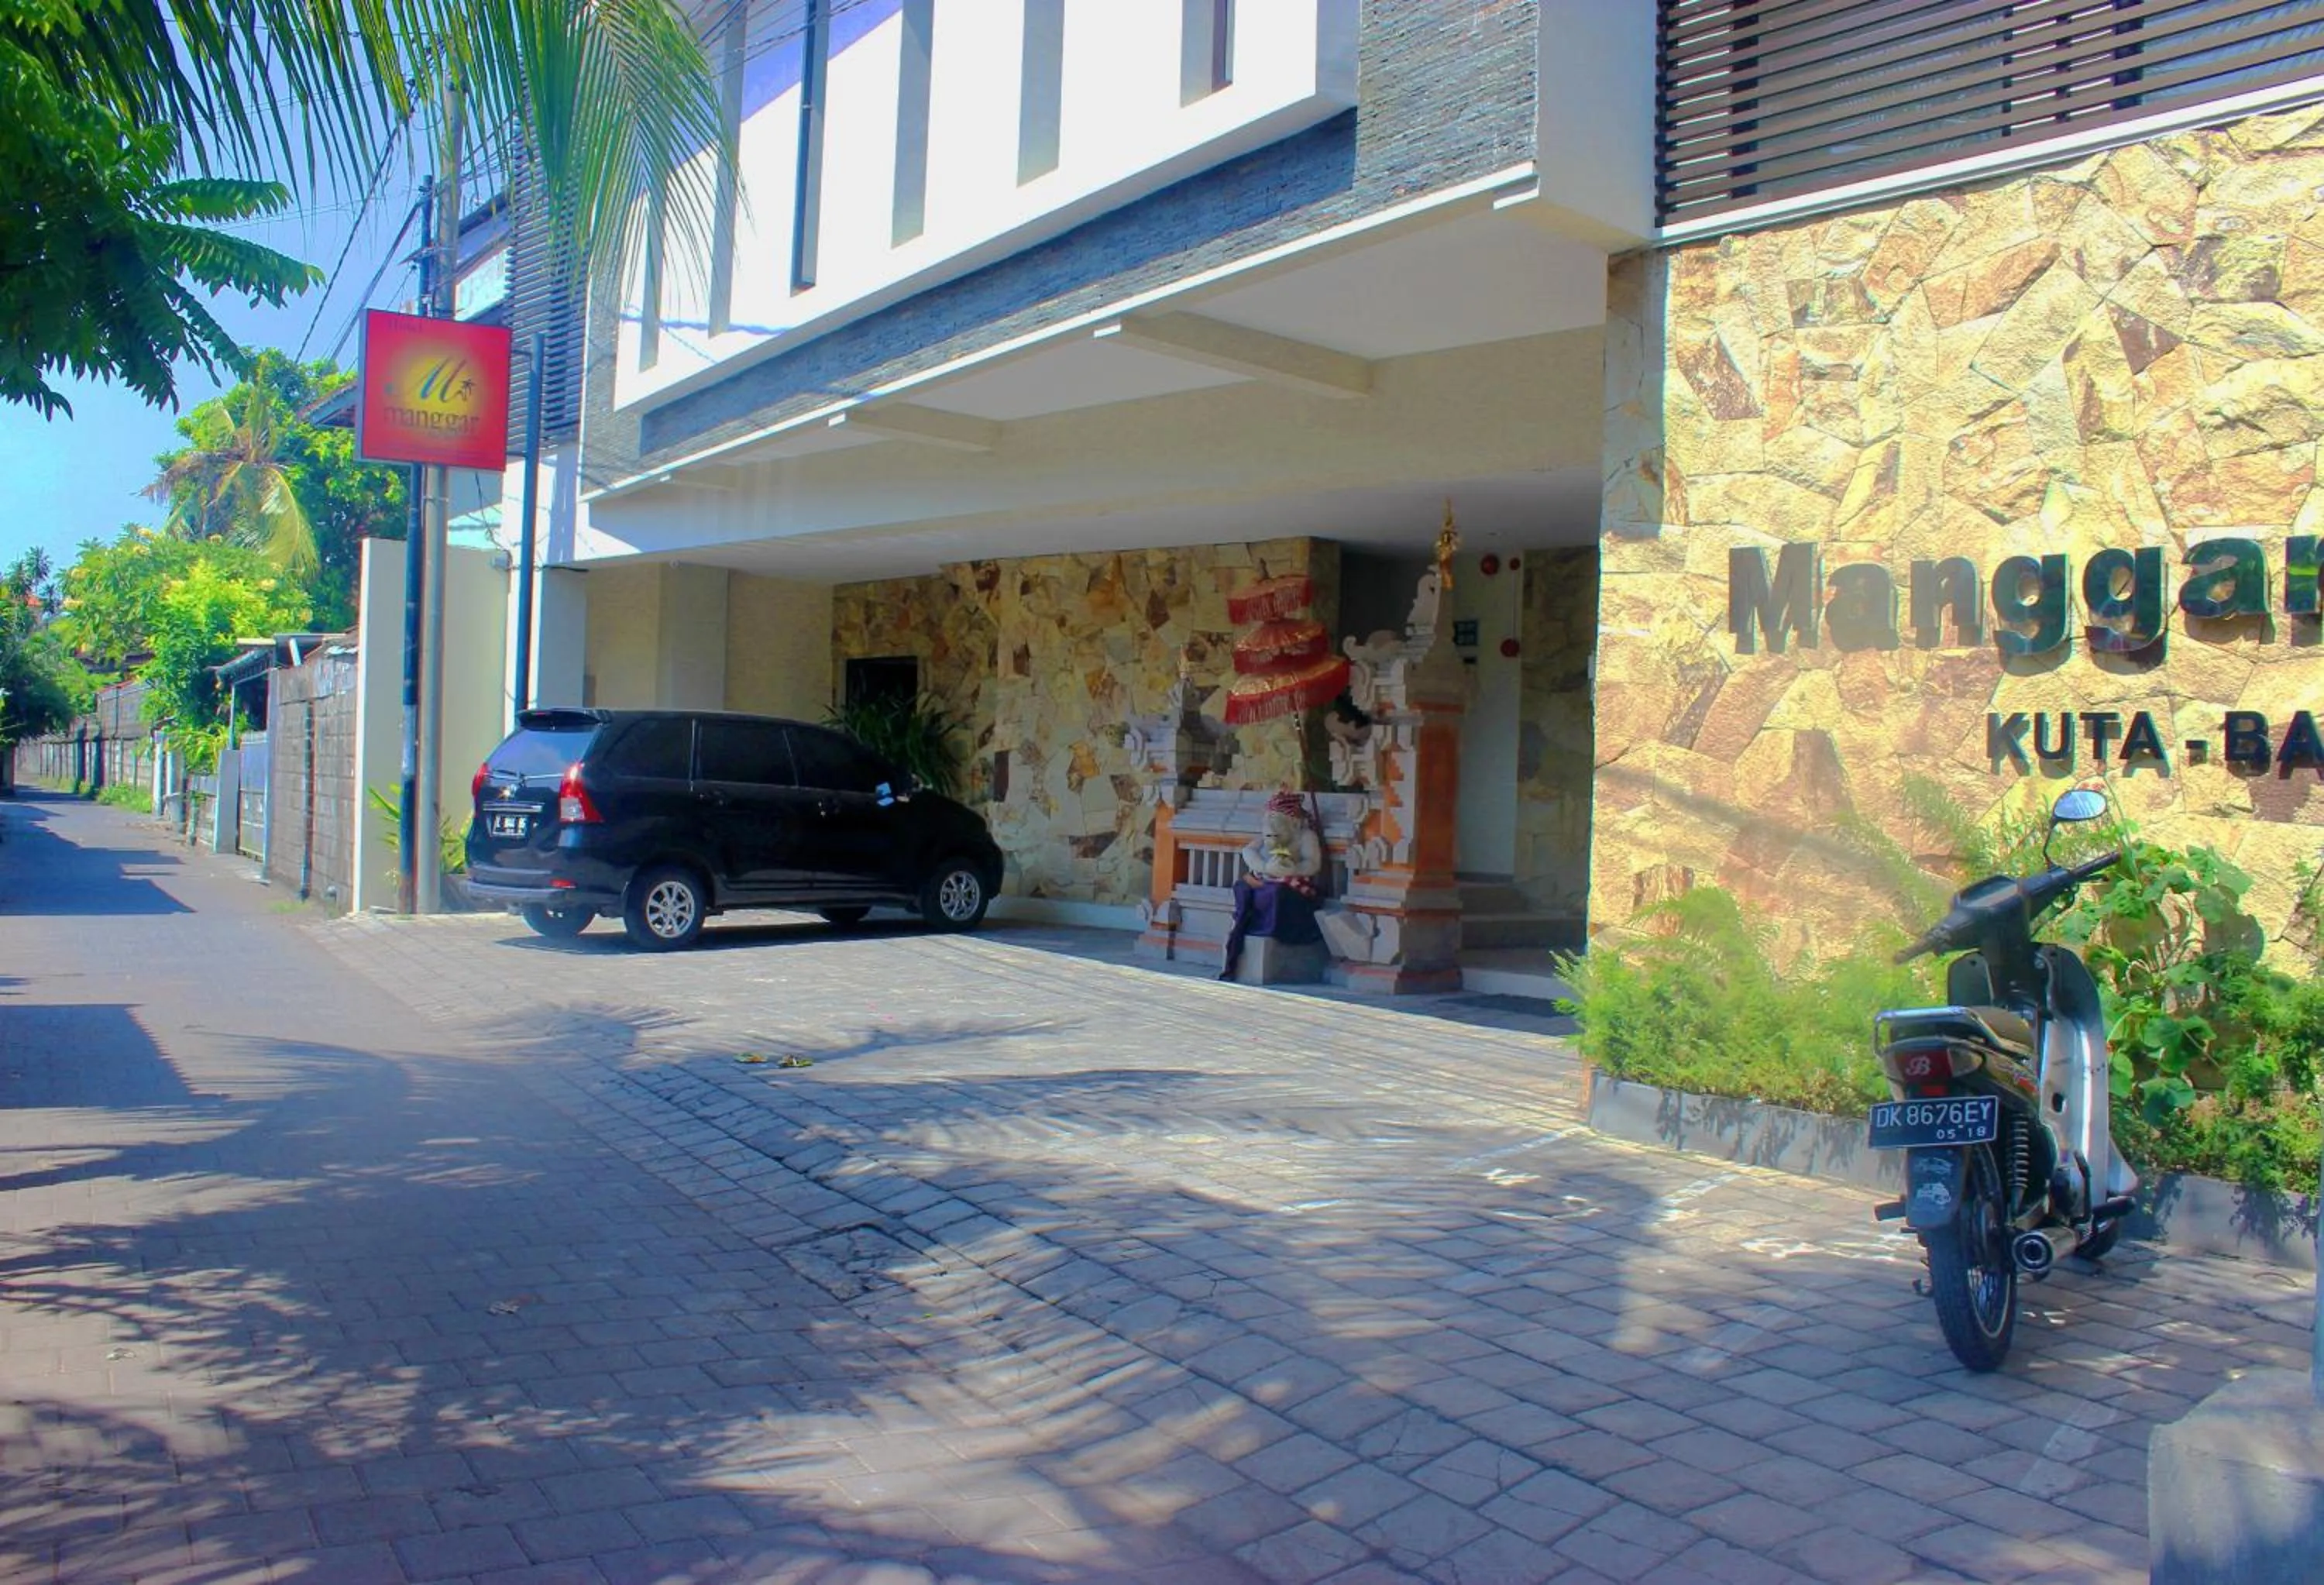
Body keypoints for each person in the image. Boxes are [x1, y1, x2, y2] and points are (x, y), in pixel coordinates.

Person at [1219, 790, 1325, 980]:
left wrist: (1292, 869)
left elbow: (1313, 864)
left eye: (1278, 821)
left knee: (1278, 893)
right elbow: (1249, 851)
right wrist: (1264, 866)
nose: (1271, 829)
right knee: (1242, 887)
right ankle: (1245, 924)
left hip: (1292, 883)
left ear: (1293, 823)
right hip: (1265, 878)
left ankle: (1270, 929)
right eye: (1269, 820)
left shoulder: (1305, 836)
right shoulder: (1265, 835)